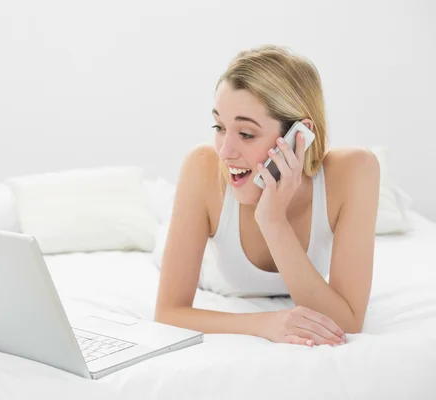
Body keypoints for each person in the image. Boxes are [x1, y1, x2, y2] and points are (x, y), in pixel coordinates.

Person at [154, 45, 380, 347]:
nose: (225, 151)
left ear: (300, 135)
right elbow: (168, 313)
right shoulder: (202, 167)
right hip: (205, 258)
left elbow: (348, 322)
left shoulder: (356, 170)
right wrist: (265, 323)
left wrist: (272, 220)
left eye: (246, 134)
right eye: (219, 127)